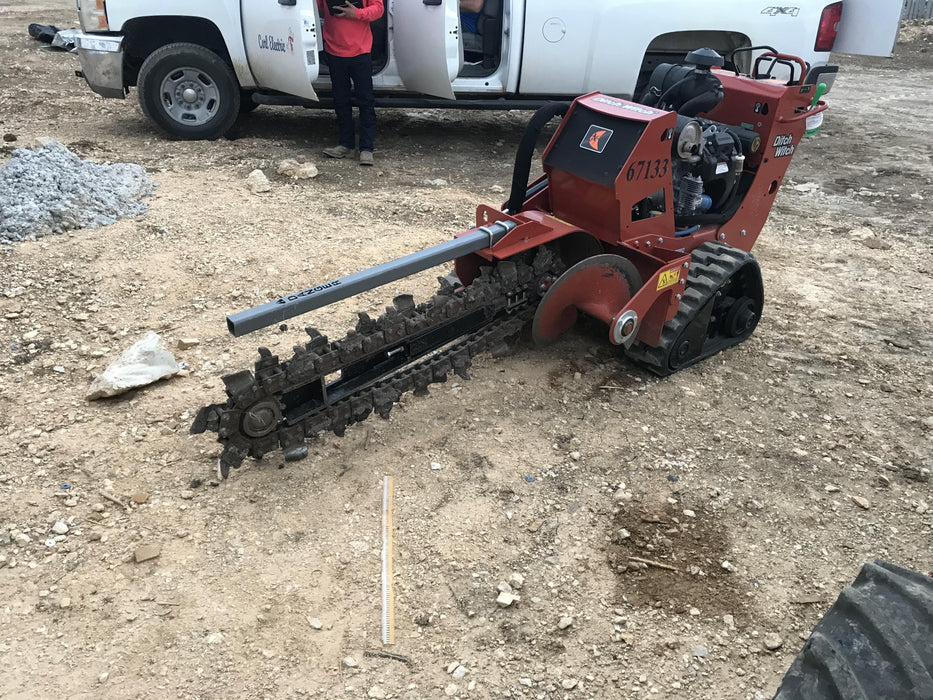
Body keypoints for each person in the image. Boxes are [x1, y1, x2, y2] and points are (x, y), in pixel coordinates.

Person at [318, 0, 384, 166]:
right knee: (341, 100)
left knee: (366, 100)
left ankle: (366, 149)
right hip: (334, 50)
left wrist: (356, 13)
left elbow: (378, 9)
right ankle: (345, 145)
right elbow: (317, 7)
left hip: (361, 51)